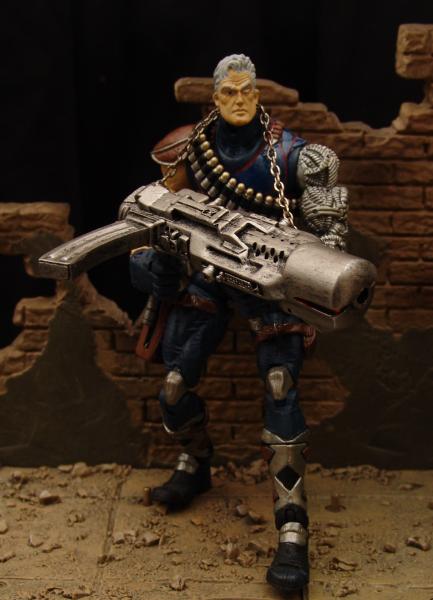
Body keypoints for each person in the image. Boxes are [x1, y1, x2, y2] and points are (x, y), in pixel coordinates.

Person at [129, 54, 348, 594]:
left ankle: (292, 528)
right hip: (206, 279)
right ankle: (195, 460)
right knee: (173, 387)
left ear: (257, 93)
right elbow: (153, 220)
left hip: (269, 283)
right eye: (228, 92)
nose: (239, 100)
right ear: (215, 97)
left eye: (247, 90)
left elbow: (329, 240)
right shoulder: (189, 150)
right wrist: (152, 262)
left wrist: (314, 277)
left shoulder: (295, 157)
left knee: (280, 386)